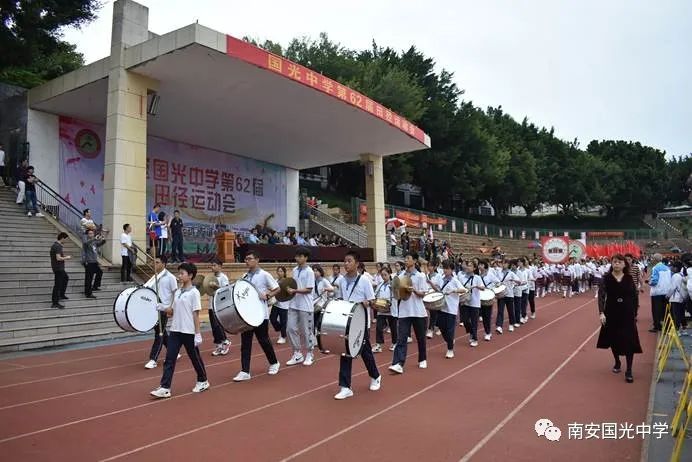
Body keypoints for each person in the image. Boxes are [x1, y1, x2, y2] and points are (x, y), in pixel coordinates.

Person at [150, 262, 209, 398]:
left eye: (182, 273)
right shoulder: (177, 292)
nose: (179, 276)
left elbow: (195, 314)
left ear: (190, 275)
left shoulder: (194, 293)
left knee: (194, 358)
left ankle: (203, 380)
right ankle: (165, 387)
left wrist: (198, 334)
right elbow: (172, 311)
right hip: (175, 330)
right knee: (169, 359)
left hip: (188, 331)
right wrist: (162, 307)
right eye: (179, 273)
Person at [333, 250, 382, 400]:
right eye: (345, 261)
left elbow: (372, 301)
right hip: (346, 322)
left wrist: (367, 302)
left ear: (357, 263)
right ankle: (345, 387)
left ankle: (375, 376)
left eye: (349, 261)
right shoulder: (341, 281)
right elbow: (341, 299)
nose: (346, 264)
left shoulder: (364, 280)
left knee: (365, 352)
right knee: (345, 352)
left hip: (361, 322)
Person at [233, 251, 281, 381]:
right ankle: (245, 371)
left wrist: (268, 295)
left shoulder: (264, 275)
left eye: (249, 259)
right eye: (245, 259)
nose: (247, 261)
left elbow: (277, 288)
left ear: (257, 260)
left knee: (263, 340)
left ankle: (274, 363)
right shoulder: (244, 276)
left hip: (260, 314)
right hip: (246, 316)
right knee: (245, 343)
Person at [596, 254, 642, 383]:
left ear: (624, 264)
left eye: (619, 262)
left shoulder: (629, 278)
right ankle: (617, 361)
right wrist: (601, 313)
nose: (617, 264)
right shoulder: (606, 278)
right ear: (612, 264)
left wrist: (634, 312)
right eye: (614, 262)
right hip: (611, 312)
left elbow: (634, 296)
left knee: (629, 340)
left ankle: (629, 370)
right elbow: (601, 296)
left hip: (627, 313)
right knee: (613, 339)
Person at [389, 251, 429, 374]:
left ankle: (422, 358)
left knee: (420, 337)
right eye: (405, 258)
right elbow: (397, 294)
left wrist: (413, 291)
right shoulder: (400, 276)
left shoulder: (420, 276)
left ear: (415, 261)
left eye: (408, 258)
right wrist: (395, 289)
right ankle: (398, 363)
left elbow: (423, 294)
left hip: (418, 311)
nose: (405, 260)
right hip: (404, 311)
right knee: (401, 338)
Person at [144, 256, 180, 369]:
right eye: (154, 262)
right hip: (154, 308)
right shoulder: (154, 276)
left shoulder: (170, 277)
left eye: (157, 262)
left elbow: (175, 293)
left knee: (159, 334)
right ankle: (174, 351)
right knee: (162, 333)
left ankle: (153, 359)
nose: (154, 264)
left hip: (164, 309)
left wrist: (171, 309)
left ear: (164, 264)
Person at [285, 247, 316, 366]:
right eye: (296, 256)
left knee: (306, 331)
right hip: (293, 304)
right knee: (290, 328)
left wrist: (294, 290)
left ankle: (310, 353)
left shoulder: (309, 271)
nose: (297, 258)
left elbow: (309, 289)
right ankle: (297, 353)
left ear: (306, 258)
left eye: (300, 256)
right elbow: (293, 284)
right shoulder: (294, 270)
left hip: (305, 306)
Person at [458, 261, 485, 347]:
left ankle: (474, 338)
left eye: (470, 266)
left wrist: (476, 286)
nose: (468, 267)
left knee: (474, 321)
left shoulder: (477, 278)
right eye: (467, 266)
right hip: (465, 302)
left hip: (474, 302)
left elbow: (483, 287)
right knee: (465, 320)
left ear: (474, 268)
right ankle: (471, 332)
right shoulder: (462, 277)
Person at [373, 267, 398, 353]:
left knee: (393, 327)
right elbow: (375, 294)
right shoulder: (380, 285)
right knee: (379, 327)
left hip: (391, 309)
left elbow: (398, 296)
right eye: (382, 275)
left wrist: (393, 290)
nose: (383, 277)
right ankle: (378, 344)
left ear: (389, 274)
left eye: (385, 275)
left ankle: (395, 343)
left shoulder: (394, 284)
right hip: (381, 309)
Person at [209, 259, 231, 356]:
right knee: (214, 327)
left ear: (220, 266)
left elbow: (226, 291)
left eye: (214, 265)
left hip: (218, 306)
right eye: (211, 265)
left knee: (217, 325)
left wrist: (216, 286)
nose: (212, 267)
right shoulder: (211, 277)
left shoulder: (223, 277)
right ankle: (219, 346)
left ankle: (225, 341)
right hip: (211, 304)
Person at [648, 253, 671, 332]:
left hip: (657, 292)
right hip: (666, 291)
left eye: (653, 259)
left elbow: (654, 281)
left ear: (655, 260)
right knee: (665, 310)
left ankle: (657, 326)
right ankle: (667, 325)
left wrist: (649, 282)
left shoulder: (655, 268)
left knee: (656, 310)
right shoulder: (667, 268)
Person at [50, 232, 71, 309]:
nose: (66, 241)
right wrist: (66, 258)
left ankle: (61, 294)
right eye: (66, 239)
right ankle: (55, 302)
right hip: (58, 268)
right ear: (62, 238)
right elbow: (58, 258)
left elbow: (58, 256)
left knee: (65, 278)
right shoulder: (57, 246)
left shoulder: (57, 245)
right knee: (57, 285)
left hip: (59, 268)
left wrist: (63, 256)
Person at [82, 229, 105, 298]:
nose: (91, 235)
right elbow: (86, 243)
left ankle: (95, 286)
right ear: (87, 235)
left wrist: (103, 239)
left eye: (92, 233)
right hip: (89, 262)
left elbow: (99, 244)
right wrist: (94, 239)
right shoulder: (86, 241)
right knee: (89, 278)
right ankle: (88, 293)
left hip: (94, 262)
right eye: (90, 233)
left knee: (100, 272)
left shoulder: (94, 242)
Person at [269, 266, 289, 344]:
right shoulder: (275, 281)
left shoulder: (287, 282)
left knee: (283, 321)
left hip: (284, 305)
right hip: (276, 304)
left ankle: (283, 336)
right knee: (272, 319)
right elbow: (273, 289)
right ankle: (281, 329)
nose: (279, 273)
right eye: (278, 271)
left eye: (281, 271)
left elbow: (289, 293)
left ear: (284, 273)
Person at [667, 261, 687, 336]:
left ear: (675, 268)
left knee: (676, 314)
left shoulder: (675, 276)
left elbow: (672, 287)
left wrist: (668, 295)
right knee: (682, 314)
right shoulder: (682, 275)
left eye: (672, 266)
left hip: (676, 297)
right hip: (683, 297)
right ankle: (684, 329)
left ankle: (677, 330)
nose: (671, 268)